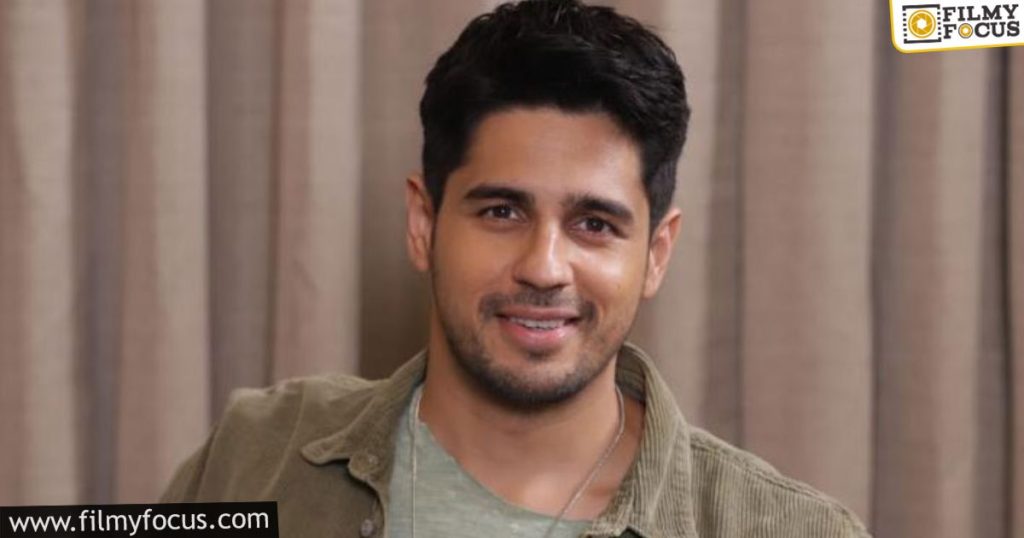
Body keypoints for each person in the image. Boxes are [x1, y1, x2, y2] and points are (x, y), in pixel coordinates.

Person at [162, 1, 871, 536]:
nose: (544, 267)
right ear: (424, 224)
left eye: (594, 224)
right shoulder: (255, 453)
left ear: (656, 255)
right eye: (502, 211)